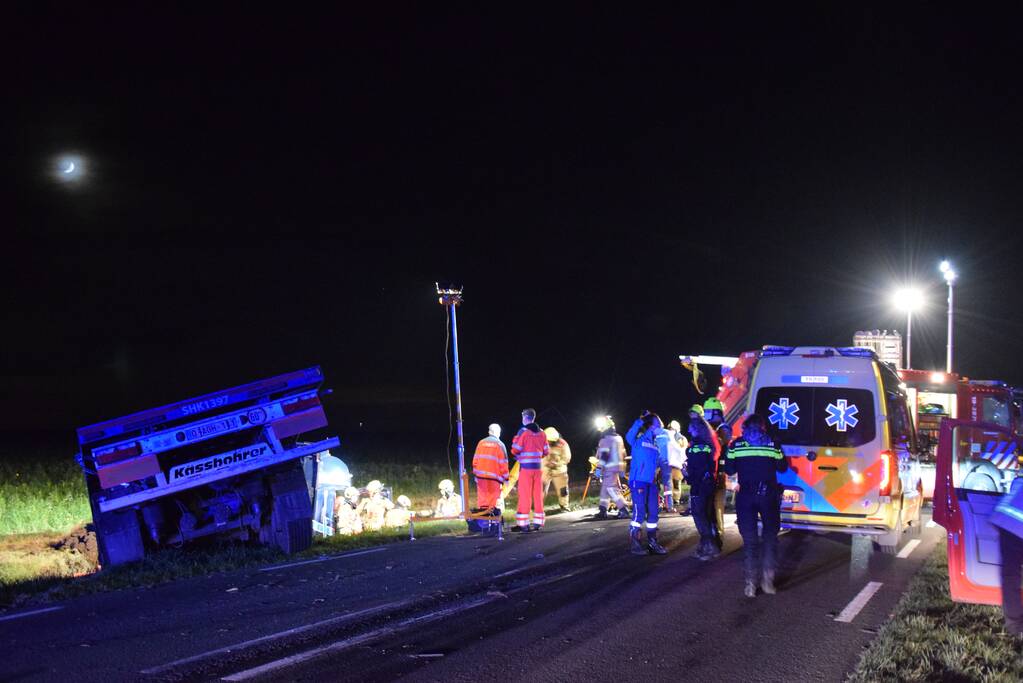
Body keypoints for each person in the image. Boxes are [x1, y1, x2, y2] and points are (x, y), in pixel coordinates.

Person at [725, 413, 788, 597]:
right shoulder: (773, 444)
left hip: (746, 497)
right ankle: (768, 581)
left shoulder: (736, 445)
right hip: (768, 496)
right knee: (770, 538)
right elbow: (782, 467)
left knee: (750, 542)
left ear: (745, 428)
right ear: (762, 427)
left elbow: (729, 469)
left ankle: (750, 584)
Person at [625, 411, 673, 555]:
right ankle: (635, 543)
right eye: (658, 424)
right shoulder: (637, 439)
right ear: (651, 425)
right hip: (638, 481)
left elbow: (660, 462)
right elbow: (629, 435)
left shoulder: (656, 444)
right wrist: (640, 420)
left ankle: (652, 542)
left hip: (652, 483)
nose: (660, 427)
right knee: (639, 512)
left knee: (653, 513)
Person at [685, 404, 720, 560]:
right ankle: (708, 545)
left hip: (699, 485)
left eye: (691, 428)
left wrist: (687, 474)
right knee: (705, 514)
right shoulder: (707, 446)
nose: (689, 431)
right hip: (707, 483)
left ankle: (710, 546)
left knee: (699, 515)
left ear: (697, 429)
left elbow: (696, 469)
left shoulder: (696, 448)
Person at [990, 475, 1023, 636]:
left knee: (1010, 576)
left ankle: (1014, 626)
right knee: (1011, 576)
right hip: (1014, 524)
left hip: (1006, 520)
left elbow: (1016, 482)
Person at [511, 408, 550, 532]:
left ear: (525, 417)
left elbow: (515, 449)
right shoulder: (542, 433)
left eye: (522, 417)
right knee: (538, 495)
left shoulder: (523, 432)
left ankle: (524, 524)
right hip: (538, 468)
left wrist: (519, 453)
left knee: (525, 496)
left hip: (526, 469)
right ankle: (538, 523)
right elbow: (546, 451)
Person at [704, 397, 731, 545]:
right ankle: (712, 536)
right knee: (709, 507)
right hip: (711, 472)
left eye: (708, 412)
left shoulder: (723, 429)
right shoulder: (714, 429)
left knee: (716, 507)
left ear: (716, 412)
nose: (706, 415)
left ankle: (718, 538)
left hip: (719, 474)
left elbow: (719, 445)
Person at [594, 416, 630, 520]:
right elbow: (624, 454)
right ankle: (602, 510)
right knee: (605, 490)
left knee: (612, 489)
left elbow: (604, 457)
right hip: (618, 468)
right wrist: (623, 470)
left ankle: (624, 510)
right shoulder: (619, 438)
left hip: (609, 468)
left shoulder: (605, 440)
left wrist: (597, 471)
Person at [472, 423, 509, 511]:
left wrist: (476, 475)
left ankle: (483, 522)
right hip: (494, 479)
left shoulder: (481, 443)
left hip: (481, 478)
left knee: (482, 502)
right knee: (493, 503)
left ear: (489, 432)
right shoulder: (500, 445)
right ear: (498, 433)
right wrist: (506, 479)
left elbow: (475, 461)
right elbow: (503, 464)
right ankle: (492, 522)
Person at [542, 427, 573, 511]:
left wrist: (557, 464)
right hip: (545, 470)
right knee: (540, 489)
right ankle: (538, 507)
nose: (548, 442)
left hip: (559, 470)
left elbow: (567, 457)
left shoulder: (563, 444)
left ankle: (564, 506)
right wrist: (546, 463)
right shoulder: (541, 442)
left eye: (550, 441)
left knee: (563, 490)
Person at [666, 419, 689, 510]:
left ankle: (674, 502)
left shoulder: (680, 439)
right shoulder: (680, 438)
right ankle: (672, 502)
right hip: (673, 464)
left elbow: (683, 451)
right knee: (672, 484)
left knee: (674, 484)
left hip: (674, 464)